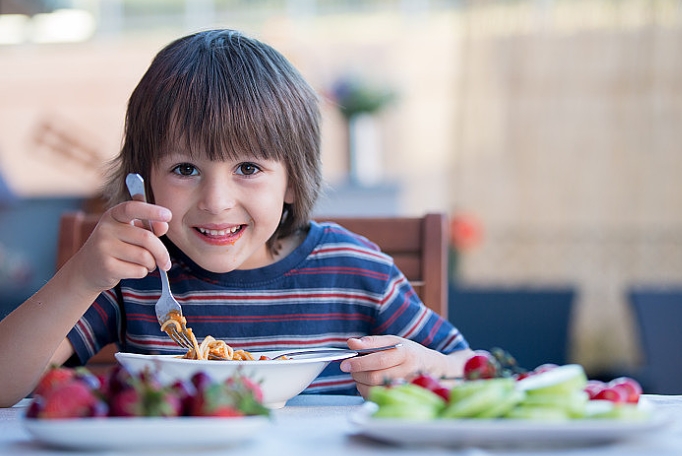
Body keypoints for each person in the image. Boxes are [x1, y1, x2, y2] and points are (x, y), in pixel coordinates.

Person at [0, 29, 473, 407]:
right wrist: (79, 279)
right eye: (185, 169)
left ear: (291, 181)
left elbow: (481, 368)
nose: (216, 201)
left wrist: (432, 369)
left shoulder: (354, 270)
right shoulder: (134, 276)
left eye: (248, 168)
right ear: (144, 180)